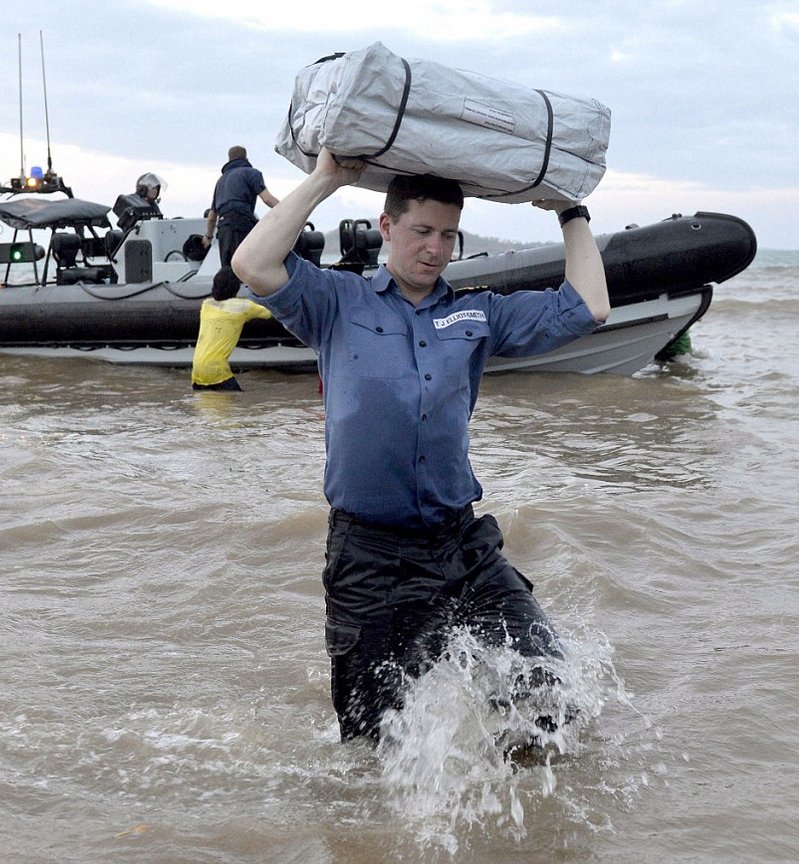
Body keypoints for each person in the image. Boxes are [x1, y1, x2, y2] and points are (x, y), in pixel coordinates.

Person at [232, 150, 609, 743]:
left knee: (547, 692)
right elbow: (252, 263)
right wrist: (327, 178)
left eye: (448, 235)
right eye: (422, 231)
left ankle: (510, 818)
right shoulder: (336, 302)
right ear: (387, 228)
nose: (435, 248)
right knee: (368, 747)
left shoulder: (475, 312)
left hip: (462, 547)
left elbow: (589, 307)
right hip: (370, 556)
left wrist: (570, 211)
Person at [191, 266, 273, 391]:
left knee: (208, 407)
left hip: (197, 369)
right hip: (216, 369)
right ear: (236, 287)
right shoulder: (243, 307)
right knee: (236, 404)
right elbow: (270, 313)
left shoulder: (206, 305)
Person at [204, 146, 279, 267]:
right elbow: (267, 199)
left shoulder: (221, 181)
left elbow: (212, 216)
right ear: (246, 157)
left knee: (228, 270)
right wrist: (290, 212)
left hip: (224, 229)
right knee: (248, 268)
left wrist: (208, 237)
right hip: (242, 224)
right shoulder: (252, 173)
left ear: (229, 160)